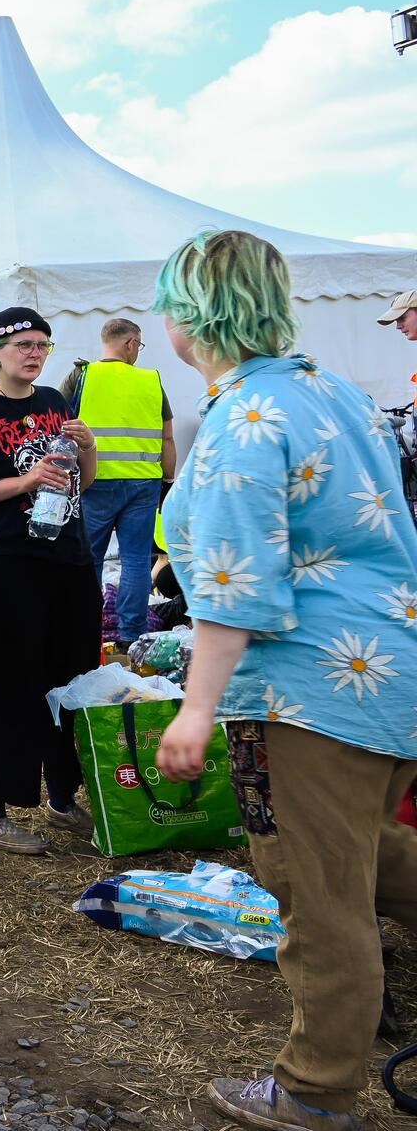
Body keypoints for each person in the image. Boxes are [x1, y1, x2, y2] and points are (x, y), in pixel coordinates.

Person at [151, 230, 417, 1131]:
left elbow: (236, 583)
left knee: (316, 886)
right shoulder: (335, 392)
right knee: (362, 853)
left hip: (310, 688)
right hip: (386, 672)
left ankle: (315, 1089)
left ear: (191, 318)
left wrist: (195, 708)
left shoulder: (240, 420)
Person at [0, 306, 100, 854]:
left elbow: (83, 481)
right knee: (10, 683)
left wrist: (90, 447)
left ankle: (62, 795)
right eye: (24, 344)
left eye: (43, 345)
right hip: (7, 562)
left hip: (68, 558)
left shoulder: (55, 403)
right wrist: (23, 480)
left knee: (70, 678)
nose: (34, 354)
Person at [60, 318, 177, 646]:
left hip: (94, 481)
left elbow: (56, 421)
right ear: (130, 343)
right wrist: (167, 481)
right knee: (138, 559)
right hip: (143, 484)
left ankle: (86, 632)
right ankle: (131, 635)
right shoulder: (151, 381)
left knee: (90, 559)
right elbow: (168, 439)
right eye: (138, 346)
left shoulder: (81, 375)